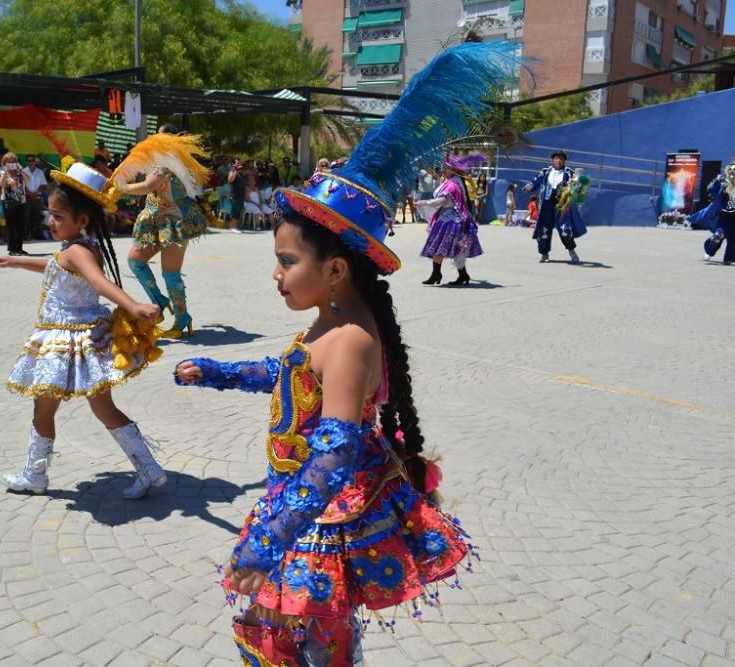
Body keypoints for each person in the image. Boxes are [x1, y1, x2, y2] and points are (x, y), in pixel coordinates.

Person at [172, 42, 516, 665]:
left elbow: (336, 453)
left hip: (322, 519)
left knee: (295, 642)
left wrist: (271, 538)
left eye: (285, 262)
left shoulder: (351, 339)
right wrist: (220, 372)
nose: (275, 276)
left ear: (333, 270)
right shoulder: (330, 322)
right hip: (301, 506)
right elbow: (291, 377)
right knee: (279, 638)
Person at [0, 158, 168, 499]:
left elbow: (99, 282)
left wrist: (132, 305)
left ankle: (35, 474)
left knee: (49, 407)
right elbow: (54, 266)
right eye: (50, 213)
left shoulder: (78, 251)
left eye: (58, 216)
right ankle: (148, 468)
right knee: (92, 407)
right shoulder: (75, 248)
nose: (51, 221)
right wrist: (18, 261)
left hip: (68, 341)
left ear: (82, 220)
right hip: (76, 338)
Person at [113, 126, 209, 338]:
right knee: (135, 261)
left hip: (176, 221)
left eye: (161, 136)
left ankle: (182, 317)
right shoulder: (161, 160)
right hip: (156, 220)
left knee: (170, 273)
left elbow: (149, 186)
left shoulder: (170, 161)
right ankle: (159, 301)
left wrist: (121, 188)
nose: (156, 139)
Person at [418, 154, 486, 287]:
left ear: (452, 170)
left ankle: (448, 274)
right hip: (447, 220)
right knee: (446, 248)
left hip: (451, 222)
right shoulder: (452, 182)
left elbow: (443, 202)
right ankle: (449, 274)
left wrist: (423, 203)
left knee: (445, 247)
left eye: (447, 168)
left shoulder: (452, 185)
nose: (444, 170)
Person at [523, 150, 586, 263]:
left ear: (564, 161)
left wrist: (577, 186)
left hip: (561, 206)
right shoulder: (545, 171)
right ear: (553, 159)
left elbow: (578, 187)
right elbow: (536, 181)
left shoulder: (569, 172)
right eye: (556, 158)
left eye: (561, 159)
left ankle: (571, 250)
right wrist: (528, 187)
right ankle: (544, 253)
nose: (558, 160)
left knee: (564, 229)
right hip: (546, 205)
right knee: (543, 230)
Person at [690, 161, 735, 264]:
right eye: (731, 171)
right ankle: (709, 251)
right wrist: (716, 181)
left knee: (732, 240)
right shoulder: (724, 185)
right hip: (724, 215)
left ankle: (729, 258)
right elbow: (711, 190)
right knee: (718, 235)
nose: (733, 173)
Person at [0, 152, 28, 255]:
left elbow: (28, 179)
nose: (11, 163)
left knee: (21, 224)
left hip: (21, 200)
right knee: (11, 225)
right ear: (5, 162)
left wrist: (21, 170)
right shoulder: (2, 173)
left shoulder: (19, 172)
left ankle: (19, 248)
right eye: (9, 161)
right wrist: (6, 172)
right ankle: (12, 249)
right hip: (8, 200)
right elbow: (1, 184)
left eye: (13, 161)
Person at [23, 154, 48, 239]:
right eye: (29, 161)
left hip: (37, 197)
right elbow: (22, 185)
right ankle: (26, 235)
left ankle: (35, 235)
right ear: (26, 162)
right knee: (26, 217)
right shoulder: (23, 171)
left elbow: (44, 185)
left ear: (35, 162)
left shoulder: (40, 172)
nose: (31, 162)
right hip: (27, 197)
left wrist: (36, 192)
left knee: (36, 217)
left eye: (32, 160)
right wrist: (30, 193)